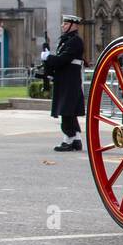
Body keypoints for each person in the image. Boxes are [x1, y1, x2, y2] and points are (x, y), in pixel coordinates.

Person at [45, 15, 86, 152]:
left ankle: (68, 140)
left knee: (67, 111)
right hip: (65, 79)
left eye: (66, 23)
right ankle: (76, 140)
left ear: (73, 25)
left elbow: (63, 59)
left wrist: (48, 58)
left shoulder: (75, 41)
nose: (63, 25)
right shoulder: (67, 40)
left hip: (70, 80)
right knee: (70, 111)